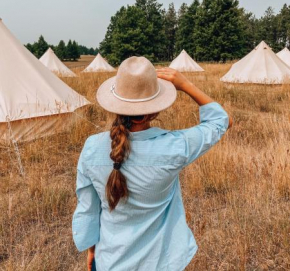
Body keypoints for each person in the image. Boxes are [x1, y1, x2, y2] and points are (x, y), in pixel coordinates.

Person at [72, 56, 232, 271]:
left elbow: (87, 209)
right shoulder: (175, 146)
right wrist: (186, 85)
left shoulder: (91, 147)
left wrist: (92, 250)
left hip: (109, 260)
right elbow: (222, 120)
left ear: (115, 104)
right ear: (155, 110)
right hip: (160, 262)